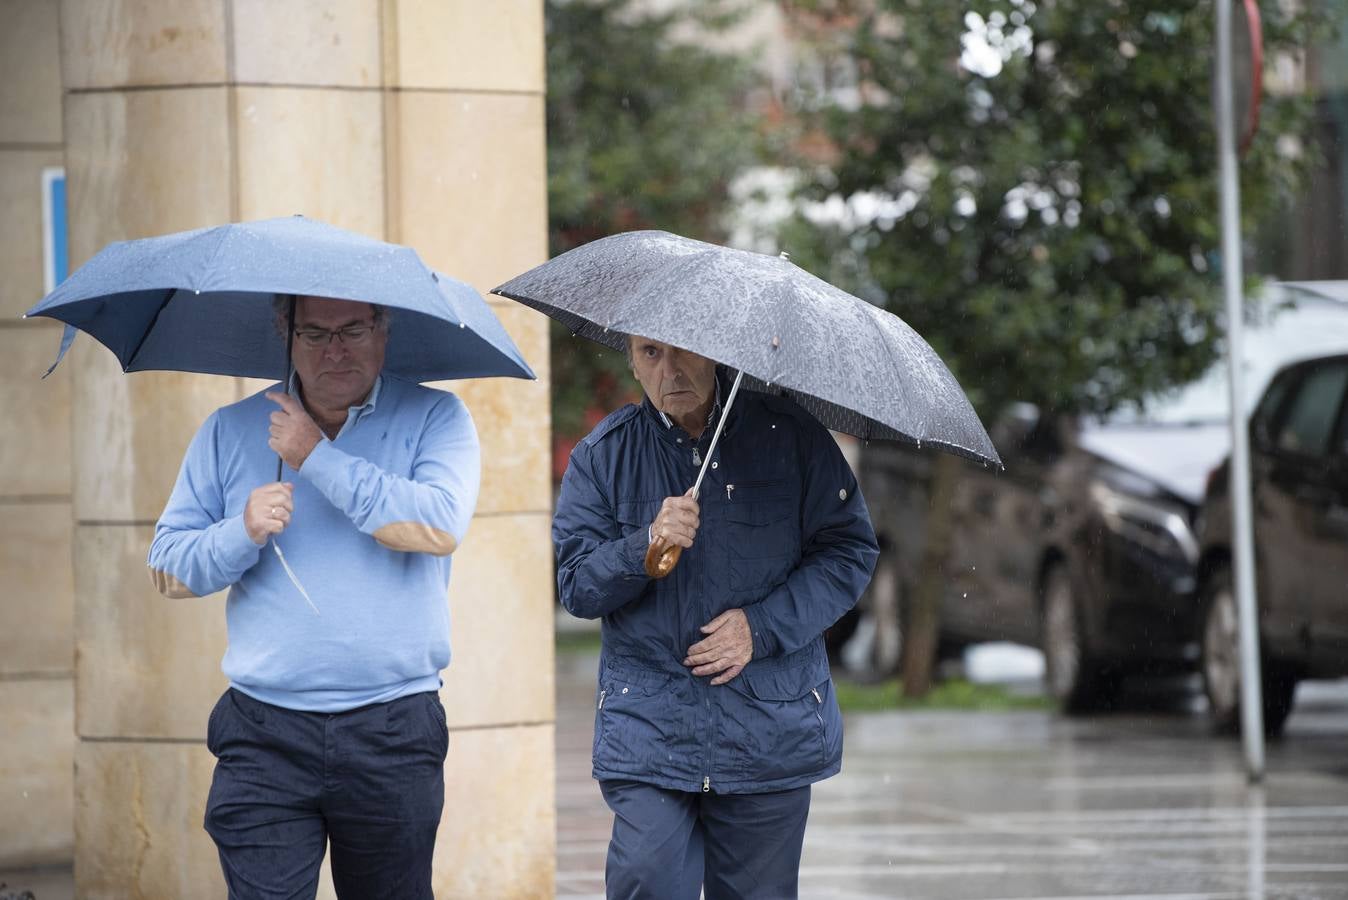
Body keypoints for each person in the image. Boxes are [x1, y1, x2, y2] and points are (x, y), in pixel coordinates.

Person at [147, 295, 480, 899]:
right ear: (286, 335)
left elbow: (437, 527)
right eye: (315, 332)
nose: (335, 349)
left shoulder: (437, 416)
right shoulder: (228, 429)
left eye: (354, 329)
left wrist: (315, 458)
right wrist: (238, 531)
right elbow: (168, 566)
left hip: (393, 727)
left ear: (384, 329)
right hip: (263, 731)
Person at [554, 334, 879, 900]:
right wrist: (643, 547)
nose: (670, 371)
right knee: (645, 880)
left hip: (767, 723)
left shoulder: (791, 436)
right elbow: (576, 585)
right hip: (650, 724)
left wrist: (761, 627)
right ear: (631, 358)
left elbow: (848, 551)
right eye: (650, 354)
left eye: (684, 351)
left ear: (718, 352)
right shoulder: (603, 456)